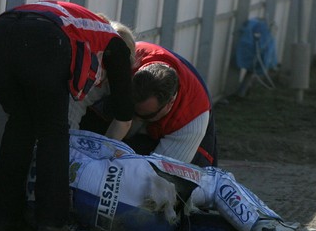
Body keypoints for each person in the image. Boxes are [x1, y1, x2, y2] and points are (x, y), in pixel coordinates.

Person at [0, 0, 135, 231]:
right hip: (42, 41)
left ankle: (5, 216)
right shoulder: (116, 46)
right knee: (53, 131)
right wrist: (102, 160)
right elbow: (124, 118)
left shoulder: (81, 25)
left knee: (21, 122)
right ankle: (52, 220)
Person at [26, 129, 316, 231]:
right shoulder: (58, 139)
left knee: (178, 219)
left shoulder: (21, 190)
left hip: (120, 228)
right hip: (126, 184)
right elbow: (115, 150)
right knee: (214, 182)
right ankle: (268, 228)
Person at [79, 41, 217, 167]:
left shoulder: (191, 120)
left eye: (144, 116)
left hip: (186, 126)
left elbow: (159, 175)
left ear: (170, 103)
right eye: (131, 108)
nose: (133, 119)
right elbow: (79, 101)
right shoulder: (126, 57)